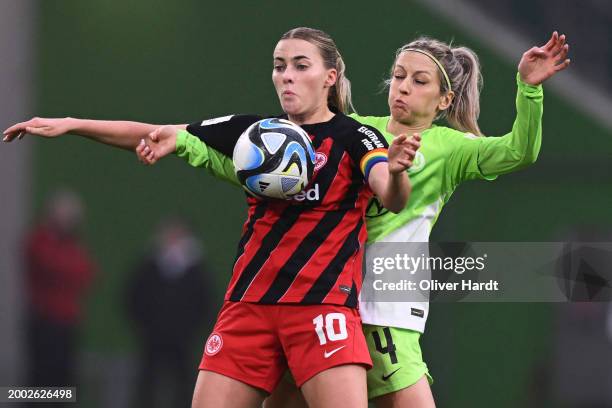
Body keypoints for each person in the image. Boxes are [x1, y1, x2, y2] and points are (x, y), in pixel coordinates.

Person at [136, 31, 570, 408]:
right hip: (323, 299)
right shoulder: (358, 130)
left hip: (385, 305)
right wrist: (182, 137)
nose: (402, 87)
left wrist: (528, 90)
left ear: (444, 100)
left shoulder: (450, 147)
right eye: (398, 76)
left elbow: (519, 152)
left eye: (419, 81)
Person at [3, 27, 419, 408]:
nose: (286, 76)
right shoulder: (253, 134)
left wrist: (398, 172)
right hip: (249, 307)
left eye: (300, 65)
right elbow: (156, 131)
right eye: (279, 66)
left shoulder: (355, 137)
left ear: (330, 77)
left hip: (322, 308)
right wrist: (72, 124)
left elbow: (392, 196)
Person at [125, 217, 213, 408]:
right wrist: (145, 326)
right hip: (152, 337)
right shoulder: (149, 266)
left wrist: (191, 329)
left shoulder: (196, 270)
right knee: (148, 385)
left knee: (183, 386)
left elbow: (204, 303)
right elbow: (132, 297)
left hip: (182, 339)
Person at [22, 189, 96, 390]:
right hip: (44, 320)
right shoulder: (40, 240)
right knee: (40, 379)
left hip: (67, 322)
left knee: (64, 379)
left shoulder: (72, 244)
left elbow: (87, 272)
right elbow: (51, 265)